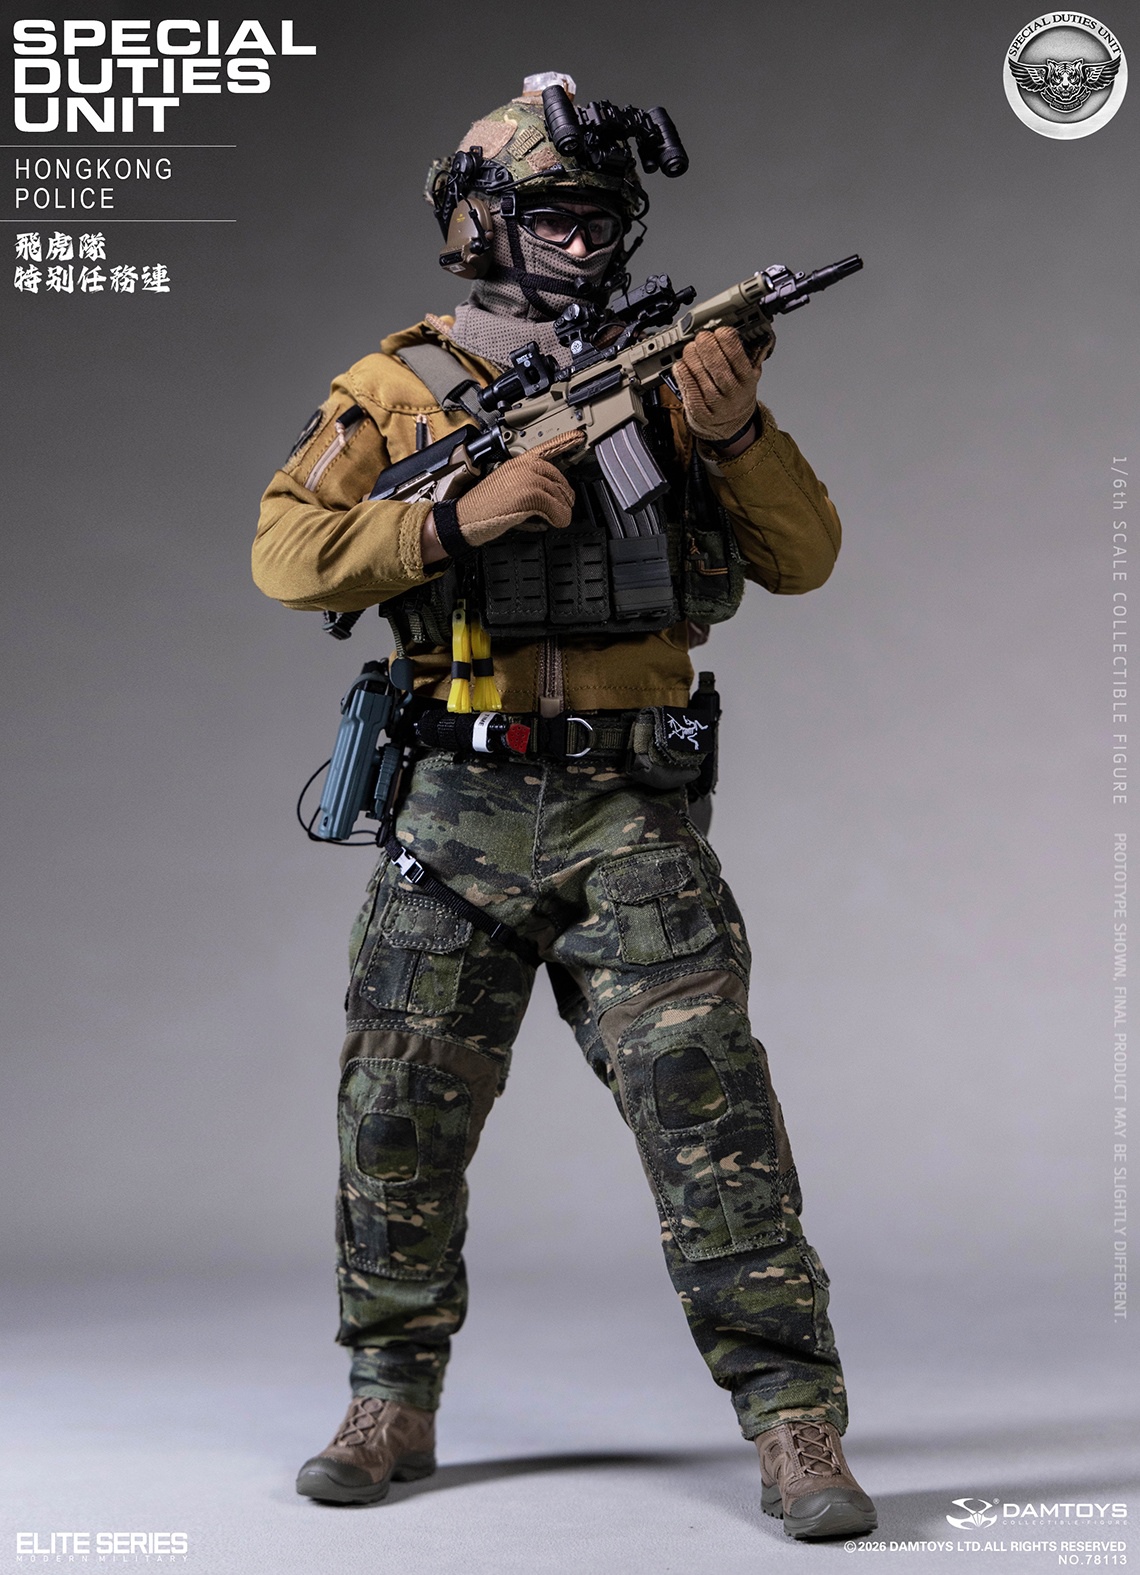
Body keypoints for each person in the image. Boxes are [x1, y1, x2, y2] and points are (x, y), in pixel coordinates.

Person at [252, 72, 877, 1541]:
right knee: (397, 1114)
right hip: (454, 809)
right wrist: (444, 520)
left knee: (709, 1112)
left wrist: (735, 434)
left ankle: (795, 1422)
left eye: (600, 214)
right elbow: (285, 551)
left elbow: (806, 558)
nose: (582, 240)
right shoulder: (398, 388)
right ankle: (389, 1396)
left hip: (629, 813)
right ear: (480, 225)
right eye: (550, 214)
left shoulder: (672, 379)